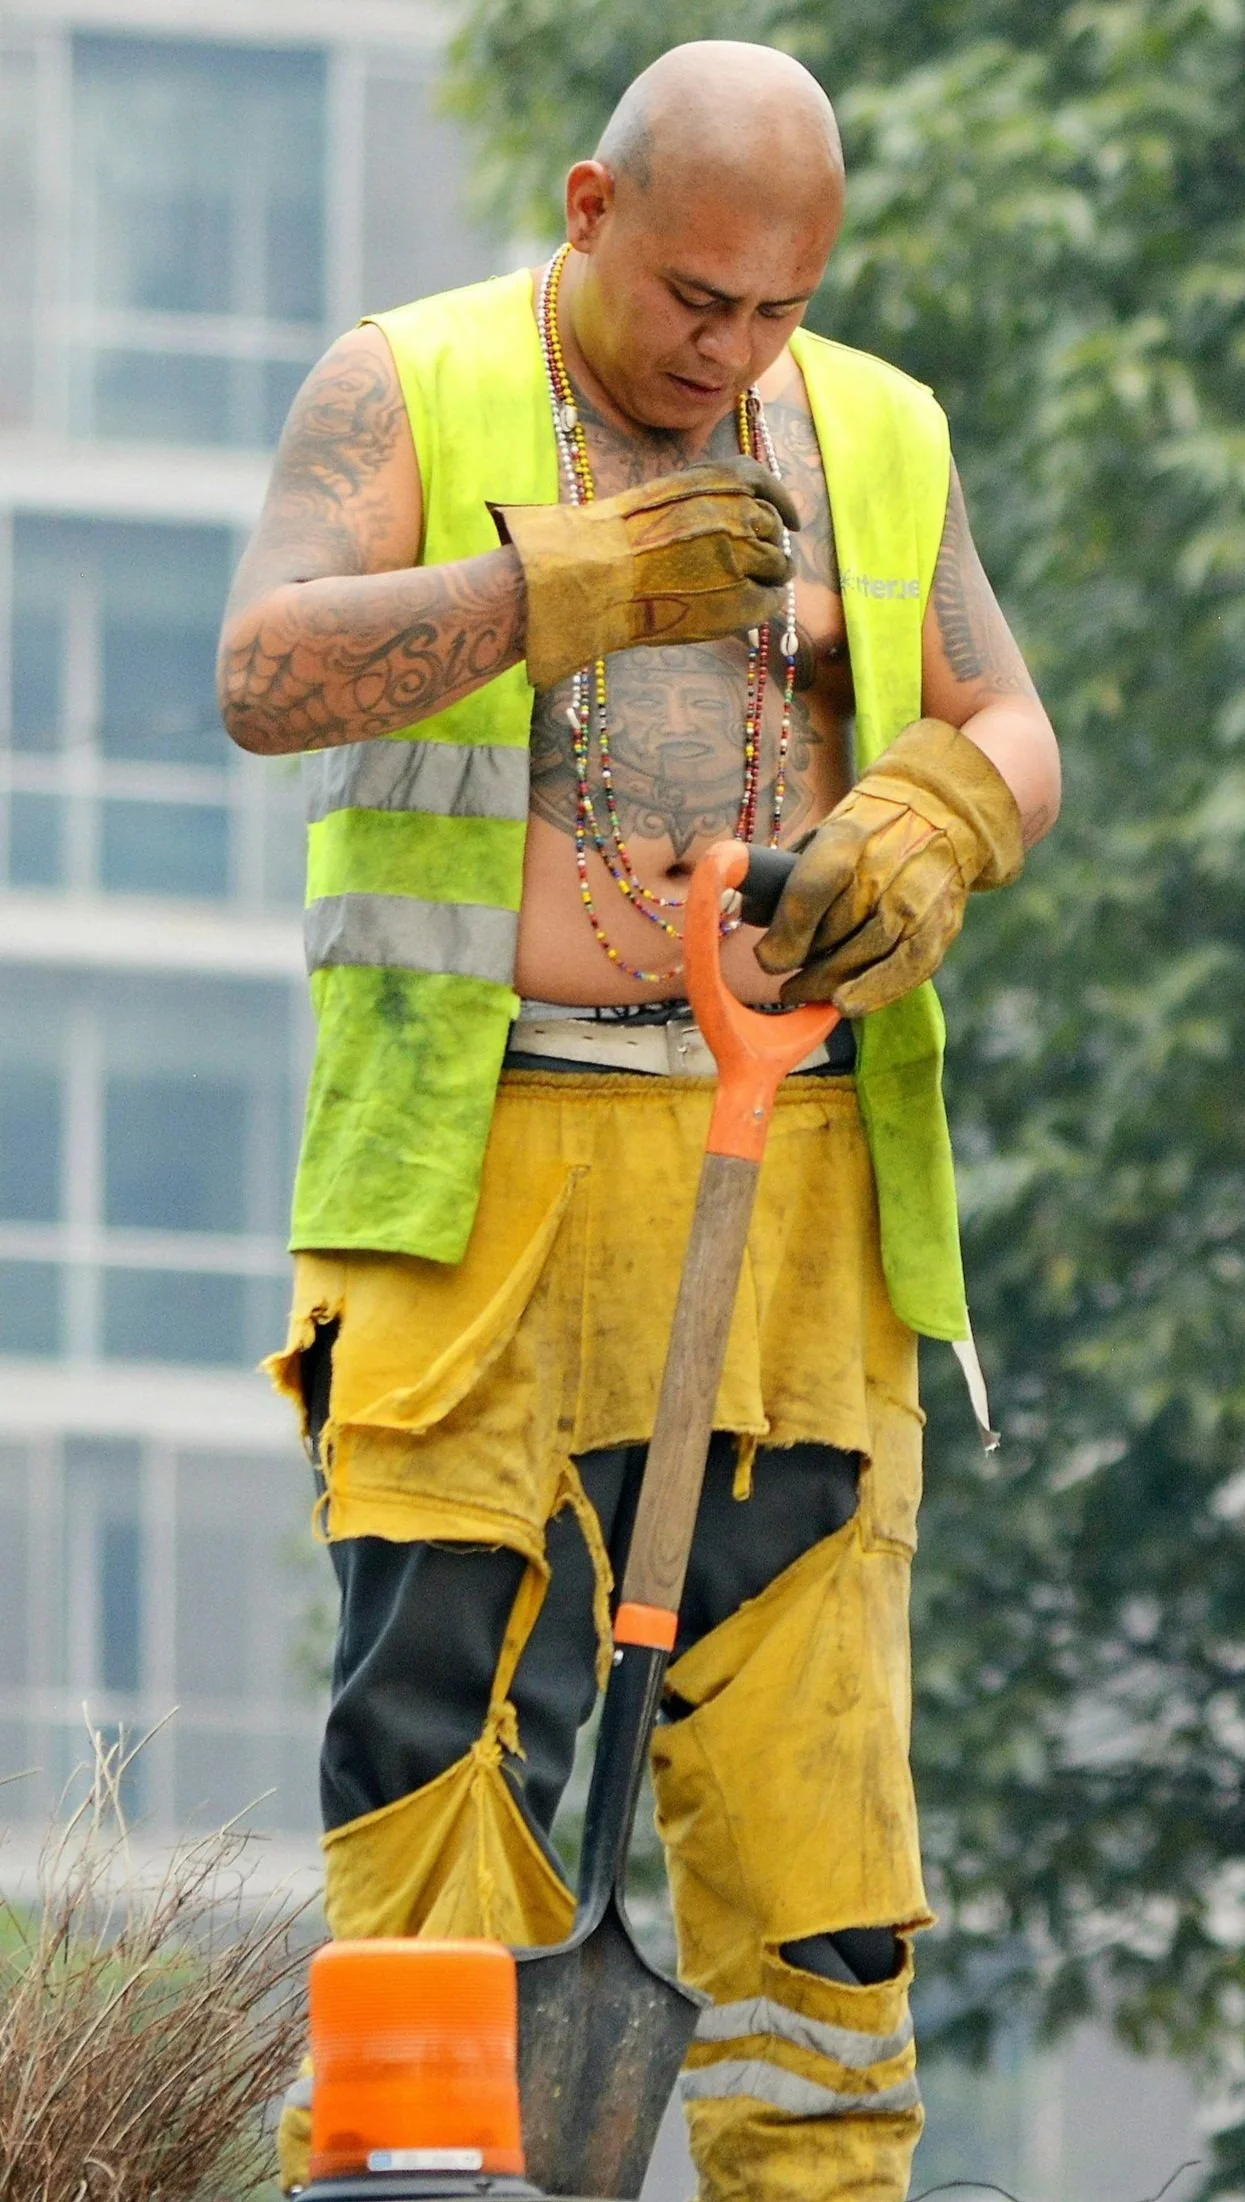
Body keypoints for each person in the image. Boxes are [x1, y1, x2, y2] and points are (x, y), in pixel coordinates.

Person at [218, 38, 1059, 2202]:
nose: (737, 348)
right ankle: (414, 2178)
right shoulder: (403, 386)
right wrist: (557, 585)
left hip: (788, 1202)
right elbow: (262, 670)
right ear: (588, 213)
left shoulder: (874, 430)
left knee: (814, 1809)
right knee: (431, 1759)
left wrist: (934, 820)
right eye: (697, 296)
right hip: (470, 1198)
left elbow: (1003, 717)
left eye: (780, 305)